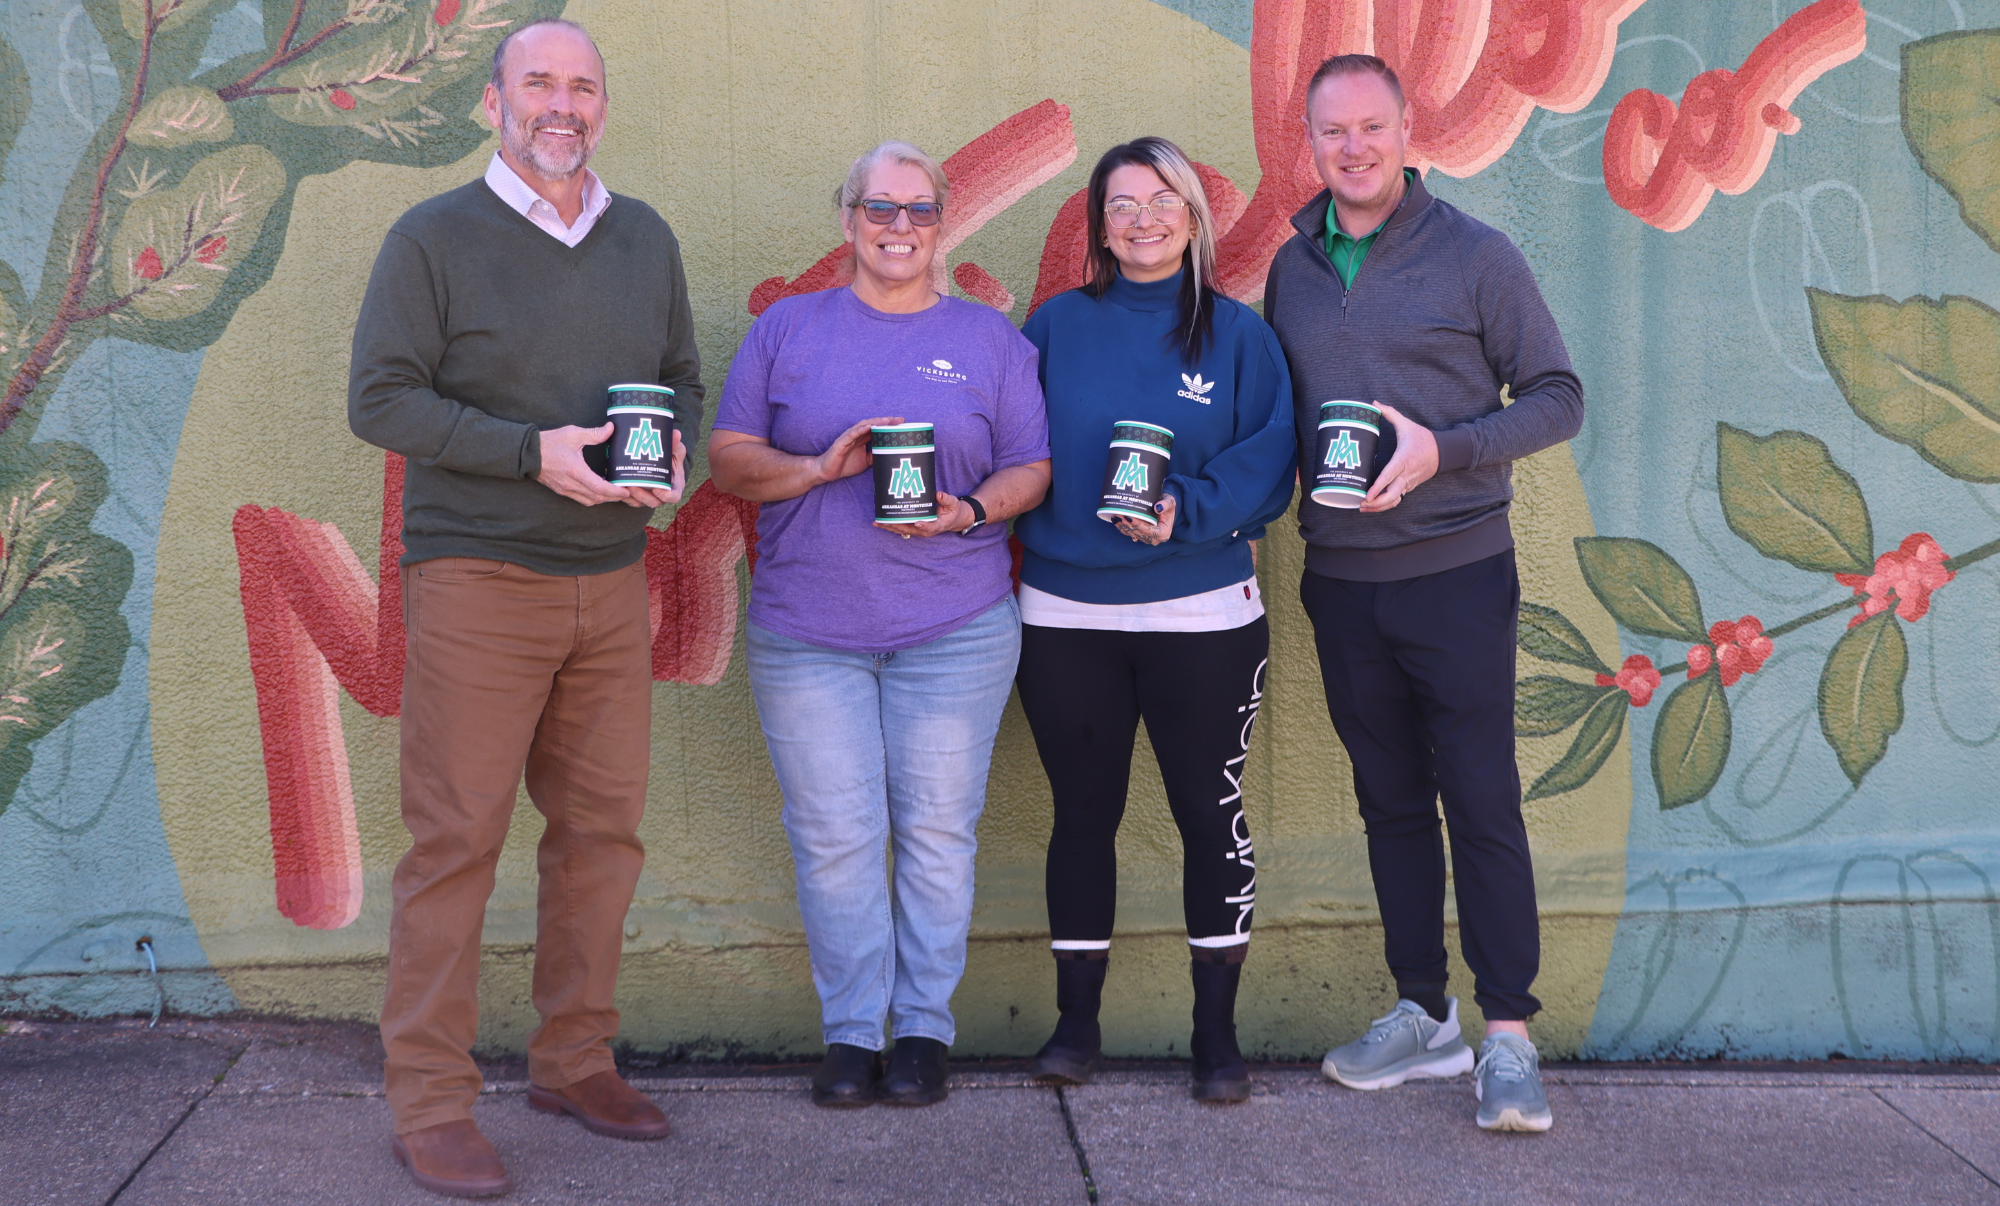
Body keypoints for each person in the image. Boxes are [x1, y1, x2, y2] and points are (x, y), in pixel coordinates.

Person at [348, 18, 701, 1196]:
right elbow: (380, 399)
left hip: (611, 581)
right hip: (479, 579)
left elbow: (681, 379)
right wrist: (527, 452)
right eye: (538, 82)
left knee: (601, 838)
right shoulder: (432, 238)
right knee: (455, 843)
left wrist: (674, 451)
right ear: (493, 102)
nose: (562, 104)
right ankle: (429, 1101)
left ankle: (573, 1061)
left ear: (602, 106)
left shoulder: (643, 237)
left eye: (582, 86)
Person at [1263, 54, 1584, 1133]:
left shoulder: (1476, 255)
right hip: (1341, 581)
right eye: (1332, 131)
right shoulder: (1292, 268)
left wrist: (1443, 449)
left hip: (1455, 573)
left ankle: (1508, 1036)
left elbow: (1557, 396)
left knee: (1480, 798)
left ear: (1406, 130)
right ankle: (1424, 1013)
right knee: (1390, 802)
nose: (1352, 148)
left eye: (1371, 126)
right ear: (1311, 142)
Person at [708, 141, 1052, 1110]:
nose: (899, 227)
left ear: (944, 222)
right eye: (879, 208)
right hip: (807, 634)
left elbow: (1032, 467)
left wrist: (968, 511)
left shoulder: (989, 341)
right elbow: (728, 458)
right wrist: (817, 469)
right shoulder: (787, 329)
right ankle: (853, 1034)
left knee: (937, 833)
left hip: (955, 628)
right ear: (847, 218)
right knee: (834, 837)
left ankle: (923, 1033)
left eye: (919, 209)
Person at [1011, 138, 1296, 1103]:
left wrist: (1190, 509)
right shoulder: (1055, 327)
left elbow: (1273, 453)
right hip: (1066, 613)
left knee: (1208, 815)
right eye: (1122, 204)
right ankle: (1075, 1027)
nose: (1142, 219)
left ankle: (1215, 1039)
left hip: (1203, 615)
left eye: (1162, 199)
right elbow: (1013, 445)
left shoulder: (1239, 335)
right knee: (1082, 817)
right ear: (1099, 226)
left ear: (1193, 216)